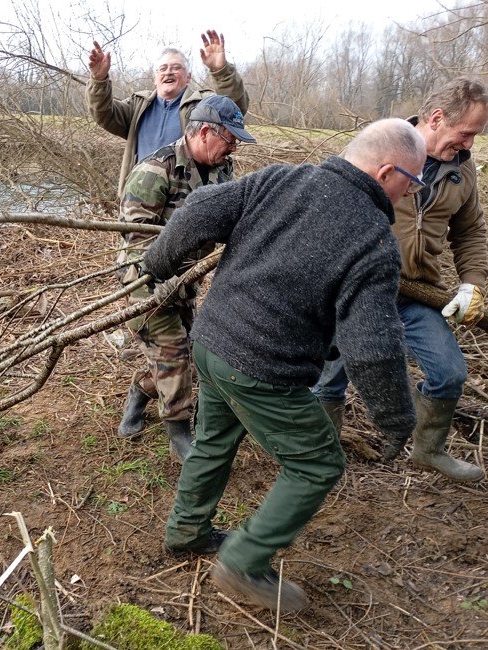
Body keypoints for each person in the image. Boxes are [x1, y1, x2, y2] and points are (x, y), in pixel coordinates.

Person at [145, 118, 425, 611]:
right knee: (318, 463)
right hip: (261, 368)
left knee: (213, 439)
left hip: (211, 346)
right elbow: (373, 348)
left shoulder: (282, 178)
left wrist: (158, 261)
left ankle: (186, 531)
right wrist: (398, 419)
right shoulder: (374, 239)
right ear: (386, 173)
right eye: (413, 180)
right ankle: (242, 562)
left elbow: (200, 208)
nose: (411, 193)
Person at [312, 79, 488, 483]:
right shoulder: (381, 146)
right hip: (359, 290)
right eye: (466, 134)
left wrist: (472, 283)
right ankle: (320, 459)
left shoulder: (462, 172)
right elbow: (332, 208)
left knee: (449, 372)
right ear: (438, 118)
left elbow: (471, 231)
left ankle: (428, 450)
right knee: (330, 378)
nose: (470, 145)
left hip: (417, 294)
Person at [116, 95, 255, 462]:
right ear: (206, 132)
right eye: (230, 138)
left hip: (187, 281)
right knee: (174, 354)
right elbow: (137, 241)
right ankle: (180, 433)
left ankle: (141, 390)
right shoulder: (154, 171)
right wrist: (158, 287)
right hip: (145, 284)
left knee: (188, 356)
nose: (234, 147)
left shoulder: (223, 171)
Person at [87, 30, 250, 195]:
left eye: (176, 68)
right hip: (138, 199)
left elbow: (233, 110)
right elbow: (103, 113)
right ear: (155, 78)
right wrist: (99, 80)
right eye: (162, 68)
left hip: (185, 202)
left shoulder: (202, 105)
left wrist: (221, 71)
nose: (168, 72)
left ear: (188, 77)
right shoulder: (137, 106)